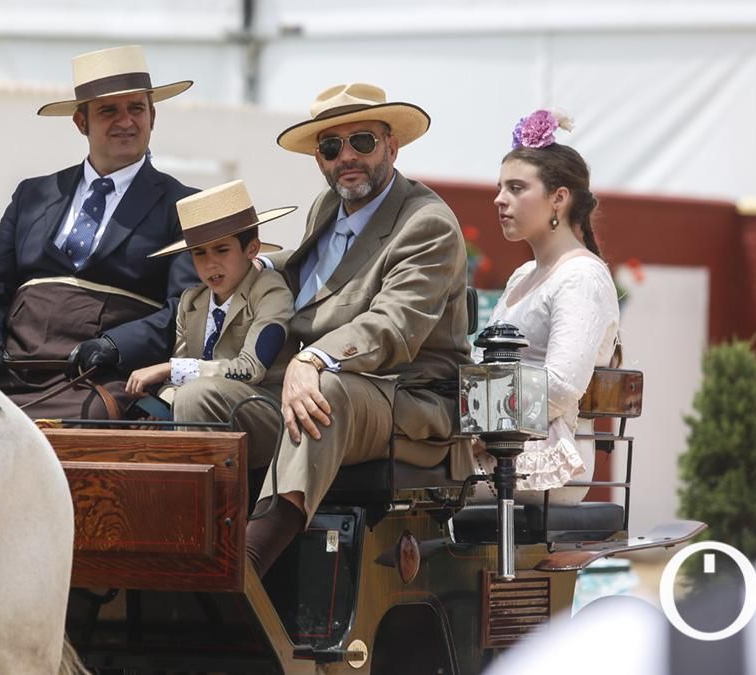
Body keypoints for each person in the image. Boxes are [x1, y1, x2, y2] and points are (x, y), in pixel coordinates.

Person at [173, 83, 474, 577]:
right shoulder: (327, 209)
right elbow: (320, 276)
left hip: (407, 398)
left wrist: (311, 360)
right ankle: (195, 545)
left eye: (363, 141)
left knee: (323, 396)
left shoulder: (427, 223)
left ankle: (247, 564)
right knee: (198, 398)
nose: (346, 157)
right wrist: (255, 266)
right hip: (322, 389)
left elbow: (392, 327)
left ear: (392, 146)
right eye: (331, 147)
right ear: (319, 157)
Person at [0, 45, 199, 418]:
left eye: (136, 108)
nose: (126, 121)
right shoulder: (33, 195)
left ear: (153, 115)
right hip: (12, 368)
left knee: (77, 424)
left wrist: (116, 344)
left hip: (103, 377)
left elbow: (187, 308)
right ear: (81, 123)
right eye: (108, 111)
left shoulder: (183, 206)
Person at [471, 109, 620, 506]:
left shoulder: (581, 277)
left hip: (541, 460)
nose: (499, 199)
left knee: (409, 477)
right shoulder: (523, 276)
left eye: (517, 188)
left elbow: (560, 385)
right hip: (494, 448)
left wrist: (474, 428)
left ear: (559, 199)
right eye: (501, 187)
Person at [123, 180, 297, 401]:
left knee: (195, 394)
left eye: (222, 250)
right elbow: (177, 380)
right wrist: (161, 409)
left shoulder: (271, 292)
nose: (210, 264)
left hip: (259, 408)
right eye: (199, 253)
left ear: (252, 249)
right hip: (198, 407)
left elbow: (251, 368)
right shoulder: (191, 301)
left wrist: (169, 368)